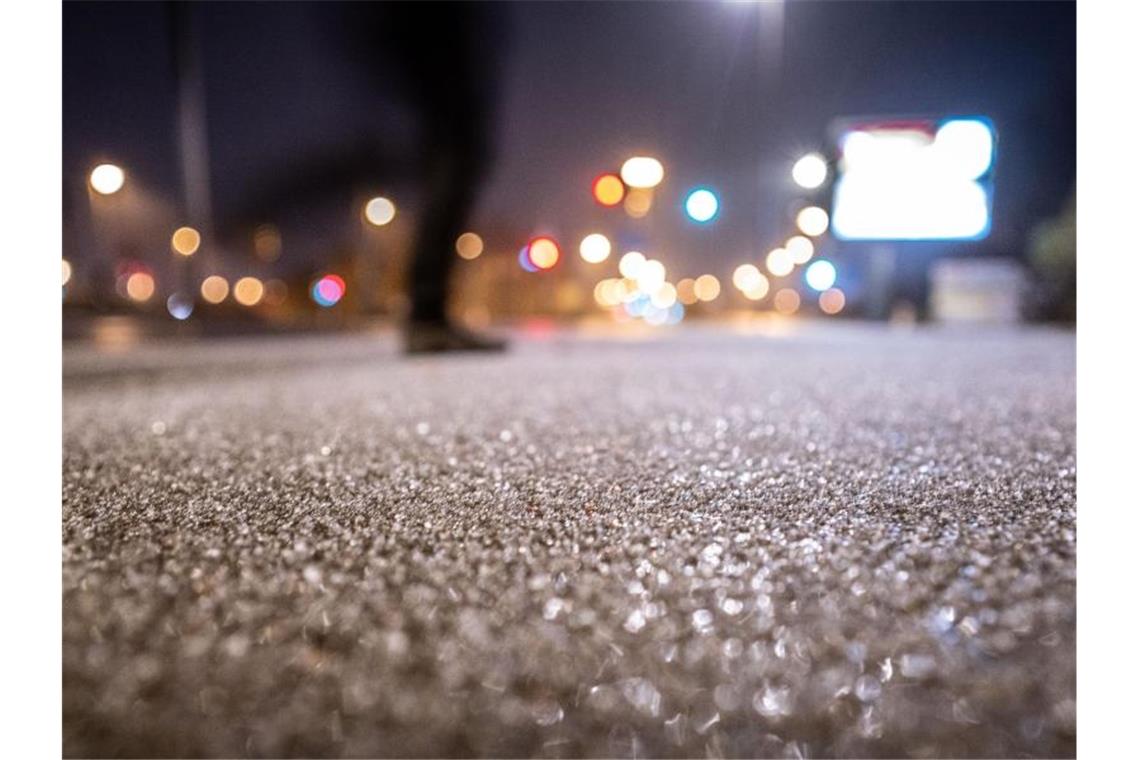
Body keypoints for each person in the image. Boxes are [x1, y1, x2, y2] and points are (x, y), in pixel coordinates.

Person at [343, 2, 509, 354]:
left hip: (427, 26)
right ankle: (427, 312)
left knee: (453, 149)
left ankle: (429, 312)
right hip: (431, 20)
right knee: (457, 151)